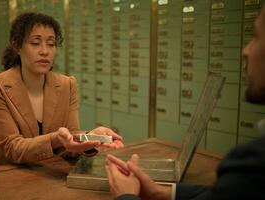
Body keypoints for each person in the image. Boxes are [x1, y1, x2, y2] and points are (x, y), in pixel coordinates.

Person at [105, 6, 265, 200]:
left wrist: (126, 196)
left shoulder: (253, 162)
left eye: (256, 37)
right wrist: (162, 192)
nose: (245, 50)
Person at [0, 12, 123, 166]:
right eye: (35, 43)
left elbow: (71, 137)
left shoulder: (67, 84)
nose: (45, 51)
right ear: (16, 45)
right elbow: (12, 148)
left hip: (53, 173)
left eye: (51, 43)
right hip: (10, 176)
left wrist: (90, 138)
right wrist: (55, 140)